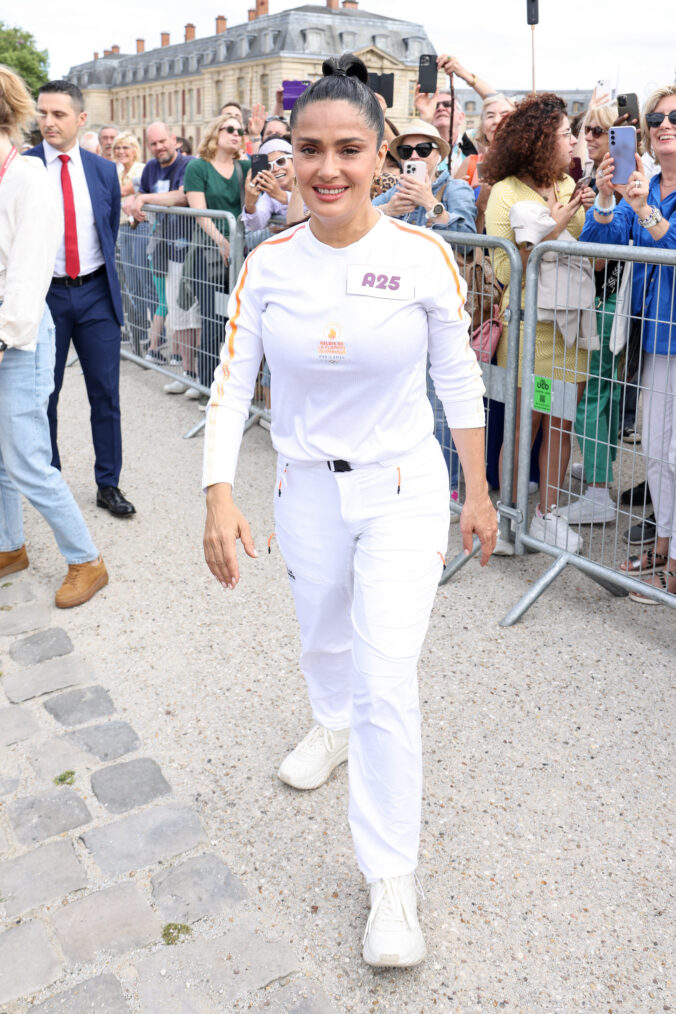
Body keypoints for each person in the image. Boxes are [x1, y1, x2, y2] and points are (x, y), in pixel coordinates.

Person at [202, 53, 497, 968]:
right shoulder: (270, 263)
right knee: (324, 640)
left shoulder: (423, 256)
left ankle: (391, 883)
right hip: (305, 490)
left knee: (386, 680)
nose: (328, 169)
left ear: (379, 155)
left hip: (404, 491)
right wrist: (218, 490)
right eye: (310, 150)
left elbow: (457, 375)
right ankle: (326, 720)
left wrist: (478, 490)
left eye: (350, 150)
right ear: (287, 157)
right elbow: (228, 382)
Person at [0, 65, 108, 606]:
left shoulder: (28, 181)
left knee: (26, 459)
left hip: (16, 339)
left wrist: (1, 338)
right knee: (1, 457)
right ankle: (10, 547)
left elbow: (26, 275)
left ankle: (86, 560)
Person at [484, 92, 596, 554]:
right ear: (542, 140)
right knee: (525, 423)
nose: (573, 139)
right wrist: (555, 226)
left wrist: (600, 206)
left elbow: (592, 253)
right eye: (567, 133)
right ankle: (510, 517)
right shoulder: (505, 192)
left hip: (572, 326)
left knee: (561, 422)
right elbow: (507, 269)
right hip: (532, 330)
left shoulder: (568, 186)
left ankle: (547, 515)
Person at [582, 85, 676, 602]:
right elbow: (603, 242)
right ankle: (663, 545)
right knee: (658, 454)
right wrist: (605, 196)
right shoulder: (648, 183)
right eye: (657, 118)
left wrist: (640, 210)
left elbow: (670, 239)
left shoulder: (654, 192)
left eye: (674, 117)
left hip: (673, 333)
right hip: (651, 334)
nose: (663, 124)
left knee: (672, 453)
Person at [27, 80, 135, 518]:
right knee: (43, 395)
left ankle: (108, 484)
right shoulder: (25, 167)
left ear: (80, 119)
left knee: (106, 394)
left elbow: (106, 227)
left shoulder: (103, 170)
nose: (48, 122)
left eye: (58, 115)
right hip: (45, 296)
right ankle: (50, 481)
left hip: (94, 295)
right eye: (42, 114)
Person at [558, 103, 623, 527]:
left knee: (591, 397)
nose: (590, 137)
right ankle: (601, 471)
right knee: (607, 394)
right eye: (586, 130)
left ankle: (599, 489)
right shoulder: (598, 176)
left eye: (600, 131)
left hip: (608, 300)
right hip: (613, 301)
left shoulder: (615, 180)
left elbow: (599, 259)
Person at [125, 122, 200, 392]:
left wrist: (143, 198)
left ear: (173, 139)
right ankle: (186, 373)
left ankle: (198, 375)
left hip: (186, 247)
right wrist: (135, 202)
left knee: (191, 316)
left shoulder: (188, 164)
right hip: (162, 247)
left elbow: (182, 197)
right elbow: (141, 196)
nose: (159, 148)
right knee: (177, 317)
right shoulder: (150, 168)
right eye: (153, 144)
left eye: (162, 142)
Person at [183, 114, 250, 390]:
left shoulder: (243, 167)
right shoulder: (198, 167)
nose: (236, 134)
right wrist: (222, 241)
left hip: (237, 251)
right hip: (207, 251)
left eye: (240, 130)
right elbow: (201, 213)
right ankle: (206, 388)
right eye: (230, 129)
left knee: (233, 319)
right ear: (215, 132)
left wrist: (255, 136)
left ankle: (230, 384)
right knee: (210, 320)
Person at [113, 131, 152, 354]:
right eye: (118, 148)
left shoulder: (139, 169)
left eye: (126, 147)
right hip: (123, 228)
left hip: (139, 228)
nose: (121, 152)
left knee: (143, 280)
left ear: (134, 150)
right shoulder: (119, 171)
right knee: (132, 283)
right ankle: (141, 330)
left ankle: (156, 333)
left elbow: (121, 191)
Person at [242, 136, 293, 233]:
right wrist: (249, 204)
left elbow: (310, 204)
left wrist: (279, 195)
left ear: (294, 161)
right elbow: (255, 225)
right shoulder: (269, 196)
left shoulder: (308, 183)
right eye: (269, 166)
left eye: (281, 161)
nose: (275, 169)